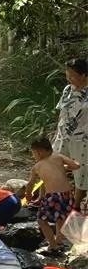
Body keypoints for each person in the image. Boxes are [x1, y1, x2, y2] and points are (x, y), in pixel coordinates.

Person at [27, 137, 80, 252]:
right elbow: (76, 166)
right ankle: (59, 241)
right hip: (67, 194)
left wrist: (28, 195)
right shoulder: (58, 157)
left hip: (53, 196)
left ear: (39, 153)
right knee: (60, 219)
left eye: (33, 154)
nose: (33, 156)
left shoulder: (37, 167)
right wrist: (65, 167)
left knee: (41, 220)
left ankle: (52, 245)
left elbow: (30, 184)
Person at [53, 57, 88, 213]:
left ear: (84, 75)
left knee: (82, 171)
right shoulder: (68, 90)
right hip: (63, 134)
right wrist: (56, 132)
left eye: (73, 76)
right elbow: (62, 112)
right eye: (67, 76)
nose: (70, 79)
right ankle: (55, 198)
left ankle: (76, 204)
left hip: (83, 138)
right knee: (53, 164)